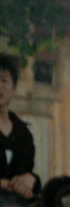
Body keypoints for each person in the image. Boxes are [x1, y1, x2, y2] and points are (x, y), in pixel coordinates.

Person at [0, 54, 39, 199]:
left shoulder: (23, 132)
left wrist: (32, 179)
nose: (0, 87)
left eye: (4, 81)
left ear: (14, 87)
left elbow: (28, 172)